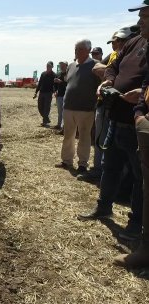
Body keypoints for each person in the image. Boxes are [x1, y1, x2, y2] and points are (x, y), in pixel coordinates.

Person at [78, 27, 148, 242]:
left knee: (139, 178)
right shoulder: (135, 42)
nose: (140, 21)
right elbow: (113, 66)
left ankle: (136, 224)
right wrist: (109, 80)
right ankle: (104, 207)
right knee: (111, 166)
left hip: (138, 124)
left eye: (145, 16)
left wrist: (144, 95)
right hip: (117, 118)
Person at [78, 26, 136, 183]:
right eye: (115, 41)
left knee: (121, 146)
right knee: (102, 140)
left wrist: (113, 73)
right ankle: (100, 171)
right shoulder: (114, 55)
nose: (116, 44)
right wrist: (116, 73)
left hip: (126, 108)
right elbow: (96, 68)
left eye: (120, 41)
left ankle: (121, 180)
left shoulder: (136, 55)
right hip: (105, 103)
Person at [115, 2, 149, 267]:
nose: (141, 21)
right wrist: (139, 113)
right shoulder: (142, 45)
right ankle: (145, 247)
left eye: (146, 16)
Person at [55, 39, 100, 173]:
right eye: (75, 49)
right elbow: (68, 82)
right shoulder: (71, 66)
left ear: (88, 50)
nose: (76, 51)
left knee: (84, 136)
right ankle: (67, 160)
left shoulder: (96, 65)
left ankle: (82, 163)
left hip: (86, 108)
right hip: (68, 107)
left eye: (79, 49)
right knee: (68, 135)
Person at [34, 61, 56, 127]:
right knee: (40, 107)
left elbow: (55, 85)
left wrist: (54, 91)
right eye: (47, 66)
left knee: (46, 107)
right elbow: (40, 83)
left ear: (52, 67)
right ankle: (46, 119)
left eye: (49, 66)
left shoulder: (54, 75)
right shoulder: (43, 74)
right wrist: (36, 92)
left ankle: (45, 122)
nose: (47, 67)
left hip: (49, 93)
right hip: (42, 92)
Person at [53, 61, 68, 130]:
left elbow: (69, 84)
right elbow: (55, 85)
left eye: (62, 65)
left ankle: (63, 127)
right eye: (60, 65)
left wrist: (61, 82)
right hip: (59, 95)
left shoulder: (68, 74)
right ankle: (59, 125)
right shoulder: (58, 74)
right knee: (60, 111)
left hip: (67, 95)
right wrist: (55, 91)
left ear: (66, 66)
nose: (61, 66)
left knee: (65, 112)